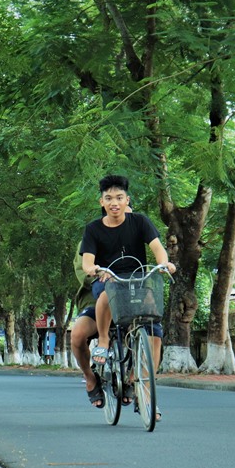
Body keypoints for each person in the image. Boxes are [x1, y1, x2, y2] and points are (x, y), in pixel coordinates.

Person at [70, 175, 175, 411]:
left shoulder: (140, 222)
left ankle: (141, 389)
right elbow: (86, 263)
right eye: (109, 198)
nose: (114, 203)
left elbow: (158, 248)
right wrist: (95, 270)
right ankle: (96, 364)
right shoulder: (92, 230)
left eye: (119, 198)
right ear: (102, 202)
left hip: (138, 283)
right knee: (78, 334)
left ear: (127, 200)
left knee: (155, 334)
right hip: (105, 284)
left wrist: (165, 264)